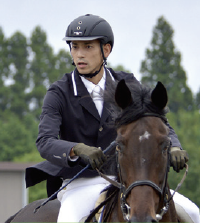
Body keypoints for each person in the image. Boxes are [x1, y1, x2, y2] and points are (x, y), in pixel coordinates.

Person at [25, 14, 199, 222]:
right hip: (81, 182)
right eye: (75, 47)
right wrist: (76, 149)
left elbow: (157, 123)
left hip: (130, 179)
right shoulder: (59, 93)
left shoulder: (126, 83)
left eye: (87, 47)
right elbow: (45, 141)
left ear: (105, 50)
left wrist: (175, 146)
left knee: (194, 214)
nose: (79, 54)